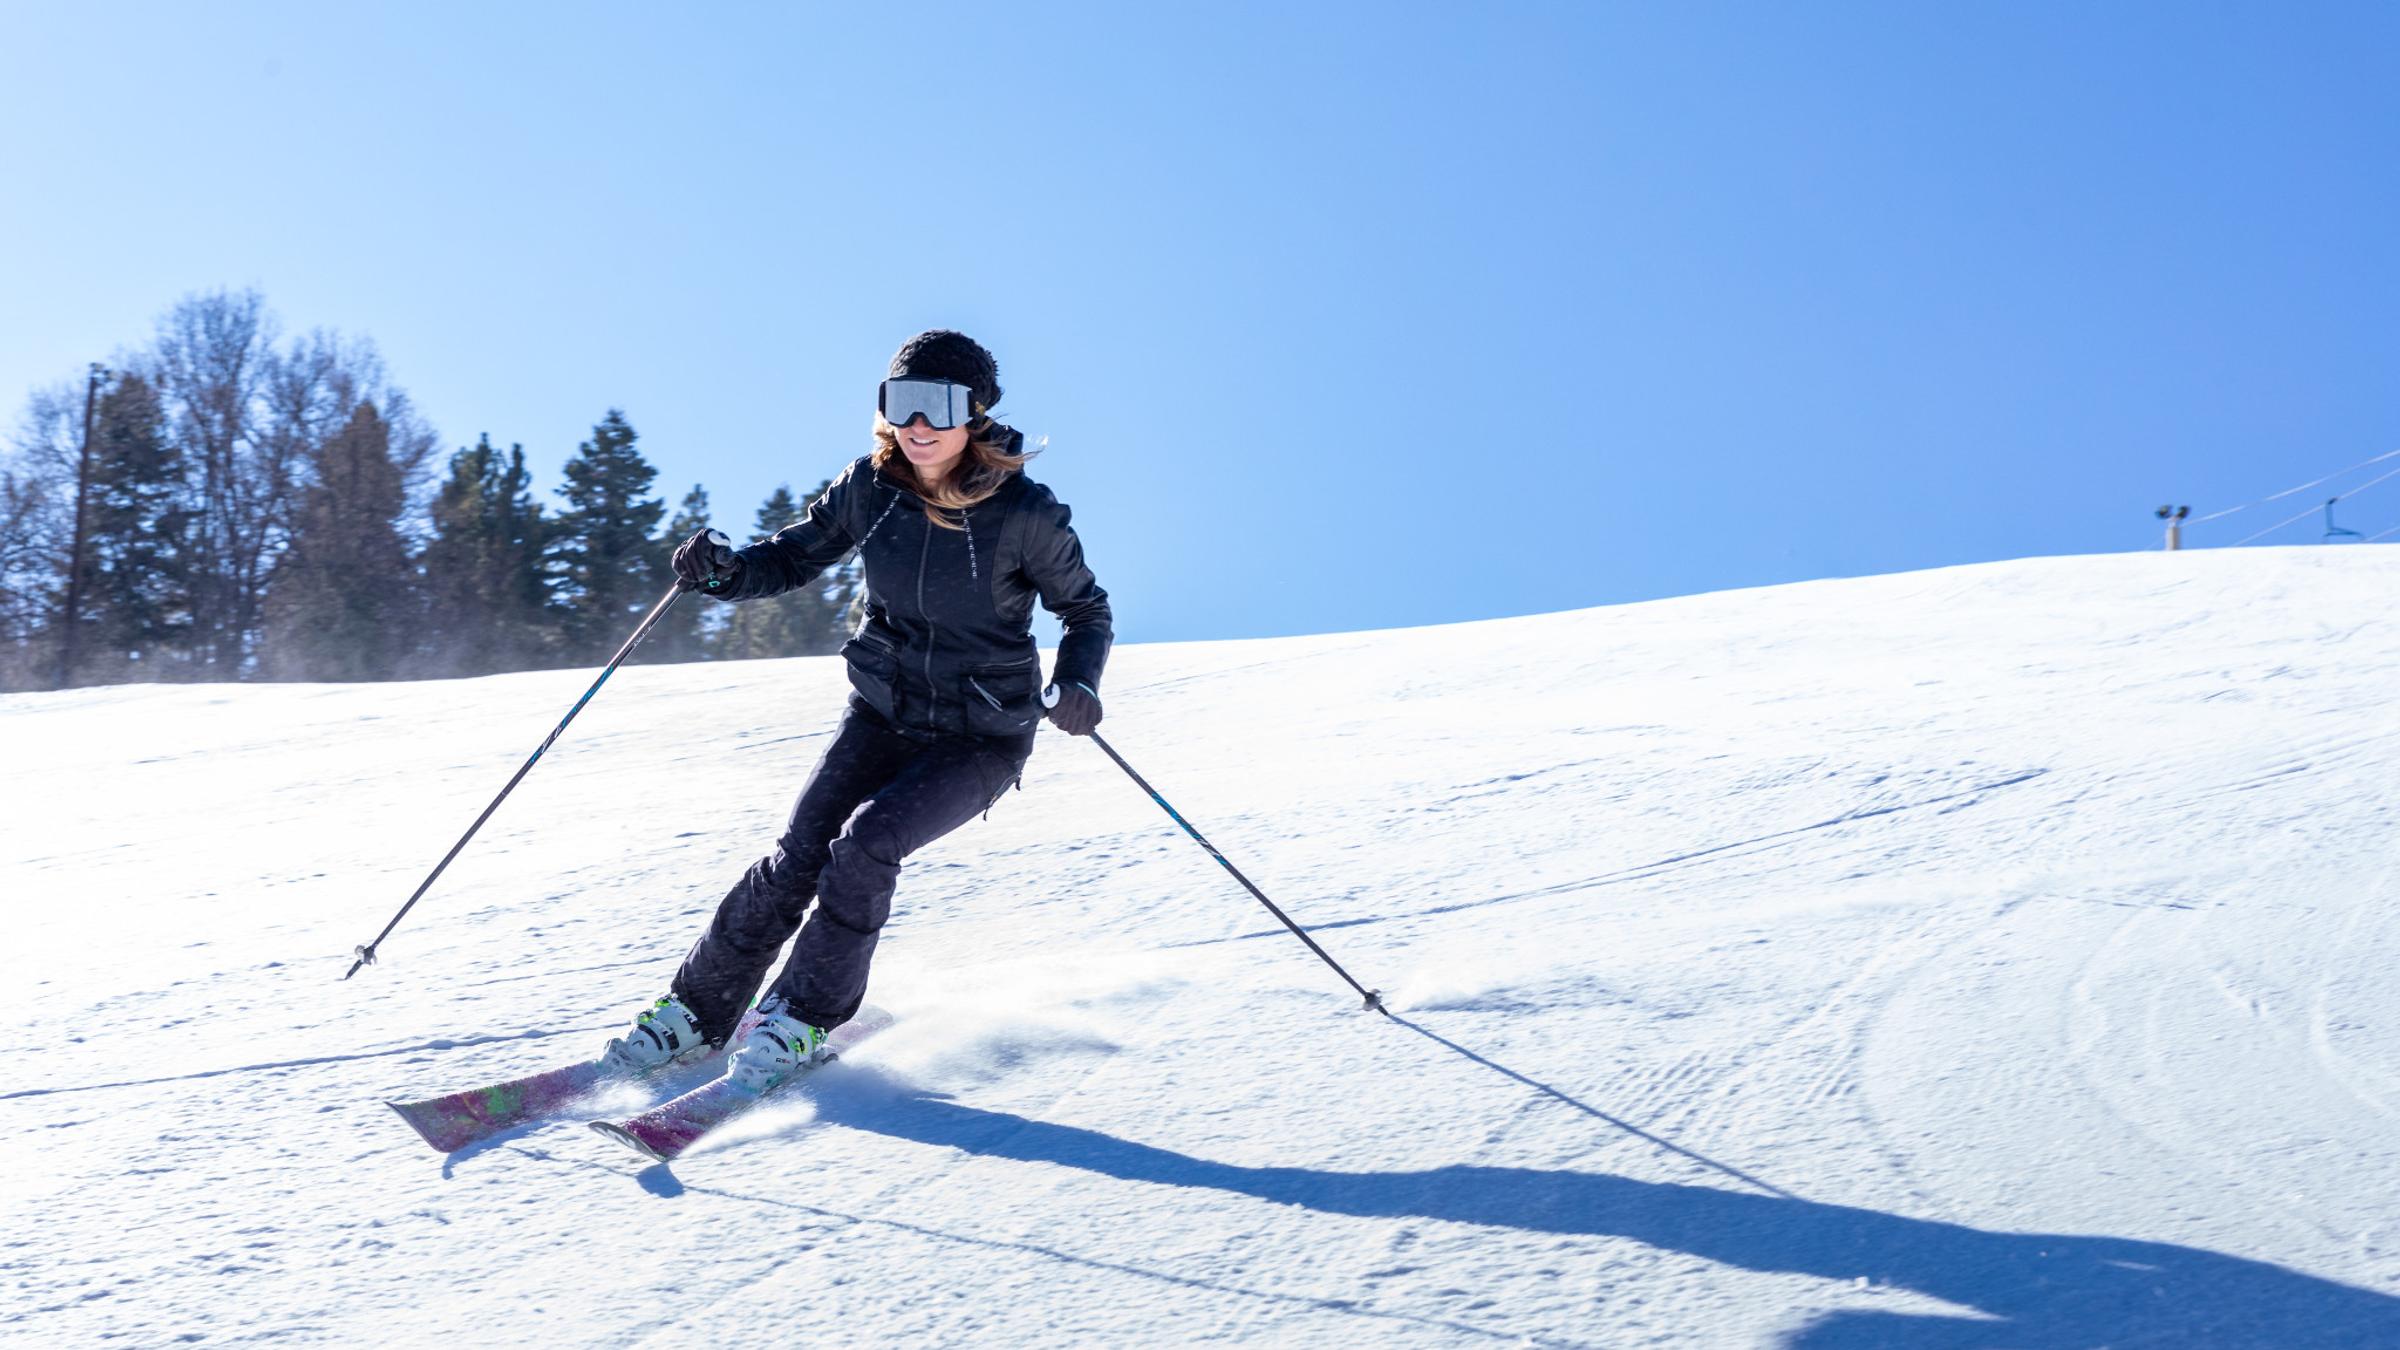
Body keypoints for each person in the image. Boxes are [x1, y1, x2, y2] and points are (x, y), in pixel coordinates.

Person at [599, 329, 1111, 1092]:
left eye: (938, 405)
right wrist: (725, 572)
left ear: (974, 413)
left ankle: (802, 1020)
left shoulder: (1023, 514)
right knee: (797, 853)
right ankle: (694, 1015)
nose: (919, 424)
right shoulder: (870, 488)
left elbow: (1086, 612)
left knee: (865, 846)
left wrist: (1080, 684)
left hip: (980, 737)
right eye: (901, 402)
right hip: (881, 713)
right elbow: (791, 557)